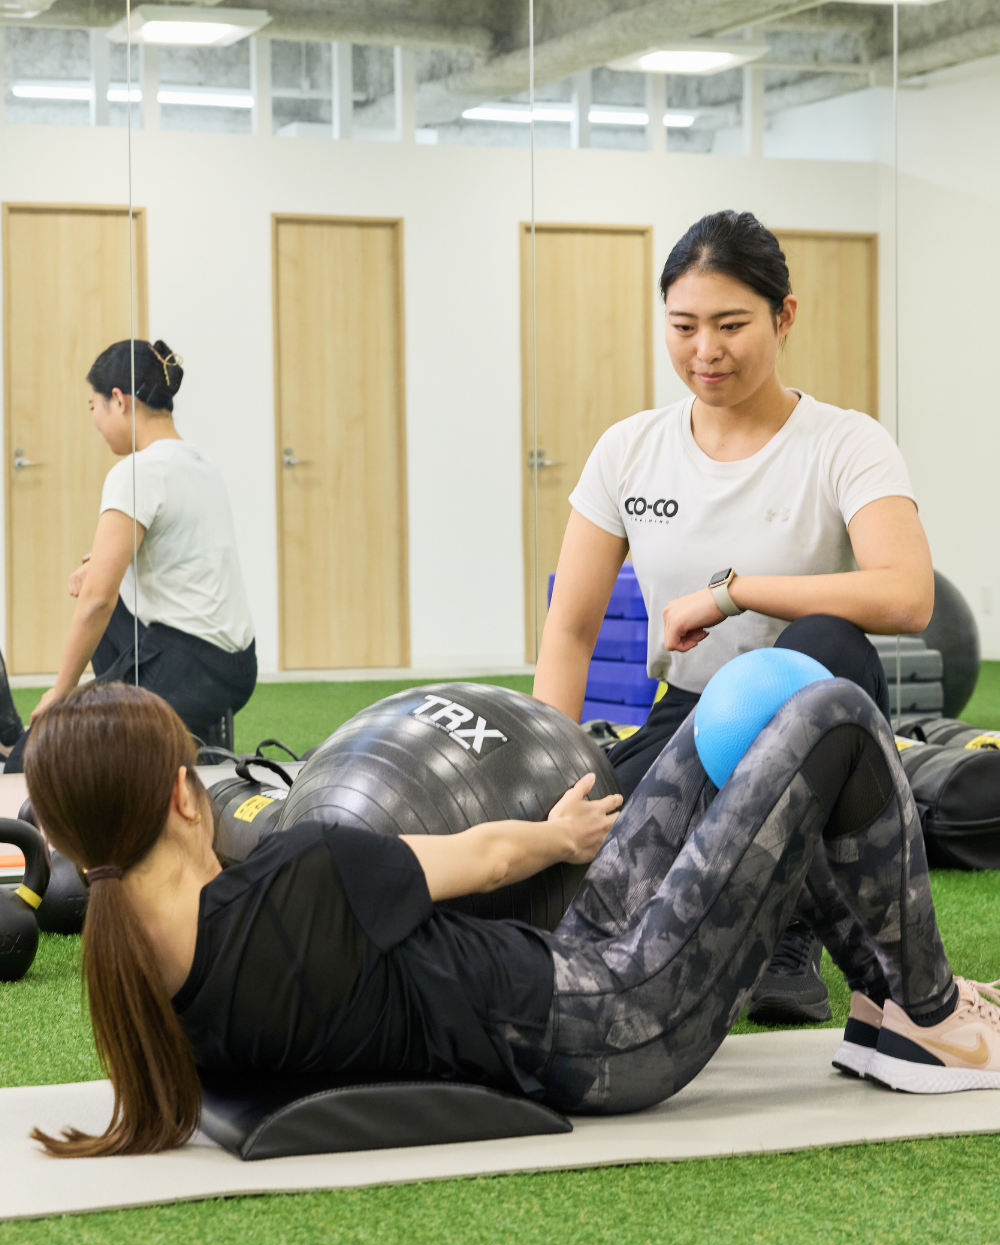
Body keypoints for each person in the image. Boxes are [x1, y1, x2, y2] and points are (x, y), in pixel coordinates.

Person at [25, 679, 1000, 1158]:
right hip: (621, 1018)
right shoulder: (303, 867)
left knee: (725, 741)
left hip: (565, 974)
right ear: (185, 797)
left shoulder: (141, 980)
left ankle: (882, 1008)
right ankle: (930, 1012)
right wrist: (560, 834)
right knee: (833, 713)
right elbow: (489, 857)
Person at [532, 210, 934, 1024]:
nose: (705, 350)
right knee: (580, 884)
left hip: (814, 708)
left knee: (822, 644)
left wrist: (736, 592)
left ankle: (793, 925)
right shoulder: (629, 449)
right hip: (690, 712)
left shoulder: (845, 443)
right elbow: (569, 631)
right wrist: (548, 789)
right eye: (683, 326)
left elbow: (905, 594)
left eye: (731, 324)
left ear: (784, 317)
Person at [1, 339, 256, 770]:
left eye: (93, 407)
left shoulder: (138, 471)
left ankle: (25, 753)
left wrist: (61, 692)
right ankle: (185, 732)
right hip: (236, 667)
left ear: (118, 400)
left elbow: (97, 601)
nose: (96, 422)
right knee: (101, 582)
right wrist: (98, 566)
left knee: (33, 760)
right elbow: (180, 553)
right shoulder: (201, 464)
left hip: (188, 670)